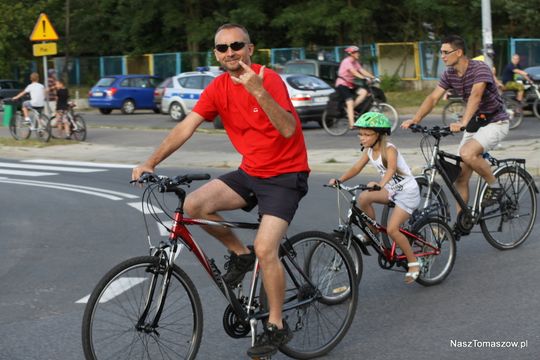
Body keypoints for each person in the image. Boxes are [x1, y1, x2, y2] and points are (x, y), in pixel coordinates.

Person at [131, 23, 309, 358]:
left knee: (266, 248)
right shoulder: (217, 88)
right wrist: (150, 162)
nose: (230, 53)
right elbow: (187, 126)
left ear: (250, 49)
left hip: (286, 175)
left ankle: (275, 325)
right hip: (250, 172)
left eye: (236, 46)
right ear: (215, 53)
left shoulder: (267, 79)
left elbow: (287, 129)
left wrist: (258, 91)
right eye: (222, 48)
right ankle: (241, 255)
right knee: (195, 205)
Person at [402, 35, 509, 216]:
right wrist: (416, 119)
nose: (442, 56)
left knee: (467, 153)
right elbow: (433, 97)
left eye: (445, 52)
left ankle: (495, 186)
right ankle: (462, 222)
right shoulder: (449, 74)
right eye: (441, 52)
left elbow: (476, 95)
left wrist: (463, 122)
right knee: (461, 178)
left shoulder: (479, 68)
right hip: (475, 123)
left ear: (458, 52)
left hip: (495, 121)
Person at [329, 112, 421, 283]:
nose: (362, 138)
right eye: (360, 134)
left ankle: (413, 262)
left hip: (407, 192)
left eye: (366, 134)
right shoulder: (369, 150)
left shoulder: (390, 149)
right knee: (363, 198)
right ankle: (373, 233)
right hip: (392, 190)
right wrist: (340, 180)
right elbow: (357, 167)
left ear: (378, 134)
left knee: (393, 229)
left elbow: (391, 169)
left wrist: (380, 184)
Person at [335, 45, 376, 129]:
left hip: (350, 84)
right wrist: (364, 78)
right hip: (342, 84)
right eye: (356, 52)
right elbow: (354, 72)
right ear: (351, 54)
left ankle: (350, 109)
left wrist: (373, 77)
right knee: (349, 101)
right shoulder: (347, 61)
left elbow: (361, 70)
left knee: (364, 92)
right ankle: (352, 124)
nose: (358, 54)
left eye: (358, 52)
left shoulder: (355, 62)